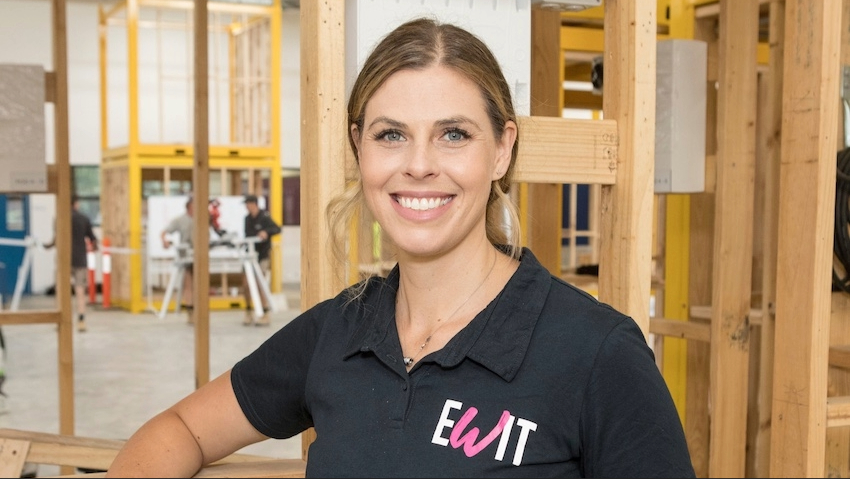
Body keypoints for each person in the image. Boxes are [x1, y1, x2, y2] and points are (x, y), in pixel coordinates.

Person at [106, 18, 695, 477]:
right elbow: (183, 428)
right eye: (392, 135)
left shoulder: (597, 355)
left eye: (453, 134)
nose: (418, 165)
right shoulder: (338, 333)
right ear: (360, 148)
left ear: (501, 150)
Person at [44, 195, 98, 332]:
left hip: (64, 259)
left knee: (62, 290)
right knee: (80, 290)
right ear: (76, 204)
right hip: (80, 260)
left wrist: (46, 246)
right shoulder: (84, 218)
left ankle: (60, 320)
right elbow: (93, 240)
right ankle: (81, 321)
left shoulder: (59, 219)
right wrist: (93, 248)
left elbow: (55, 240)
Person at [241, 194, 281, 326]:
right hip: (250, 254)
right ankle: (248, 311)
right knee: (246, 284)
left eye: (248, 203)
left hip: (262, 255)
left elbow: (277, 228)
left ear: (254, 204)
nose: (247, 206)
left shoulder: (264, 217)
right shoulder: (247, 219)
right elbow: (247, 235)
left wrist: (266, 232)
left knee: (260, 283)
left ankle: (265, 313)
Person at [160, 196, 194, 323]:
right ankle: (190, 311)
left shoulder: (203, 218)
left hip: (200, 254)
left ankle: (198, 311)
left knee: (199, 284)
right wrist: (164, 241)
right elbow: (164, 232)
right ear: (189, 207)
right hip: (186, 254)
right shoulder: (181, 220)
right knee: (188, 283)